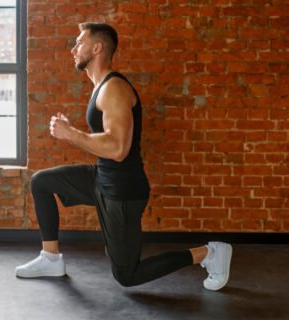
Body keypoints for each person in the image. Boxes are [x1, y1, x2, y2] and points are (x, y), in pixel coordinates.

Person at [15, 22, 232, 291]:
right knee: (42, 182)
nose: (73, 49)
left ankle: (209, 253)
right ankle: (50, 258)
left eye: (79, 43)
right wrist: (71, 131)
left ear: (97, 48)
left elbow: (118, 149)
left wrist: (70, 134)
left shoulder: (113, 88)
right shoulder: (99, 87)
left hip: (122, 191)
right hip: (102, 179)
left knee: (128, 274)